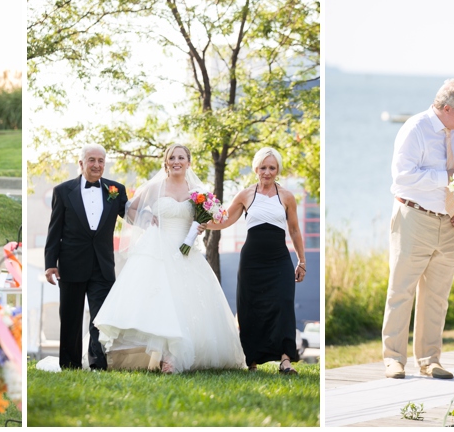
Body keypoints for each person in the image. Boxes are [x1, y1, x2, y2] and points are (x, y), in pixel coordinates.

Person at [94, 144, 245, 374]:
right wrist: (147, 220)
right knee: (163, 301)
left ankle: (176, 355)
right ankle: (167, 358)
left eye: (181, 157)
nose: (176, 161)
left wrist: (204, 225)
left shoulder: (198, 192)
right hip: (158, 249)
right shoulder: (155, 187)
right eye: (172, 157)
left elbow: (210, 218)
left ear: (188, 162)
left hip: (186, 251)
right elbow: (130, 210)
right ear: (166, 162)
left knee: (183, 303)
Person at [382, 79, 454, 379]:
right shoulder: (414, 129)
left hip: (448, 223)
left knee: (437, 296)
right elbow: (403, 177)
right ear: (447, 108)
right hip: (414, 217)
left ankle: (429, 359)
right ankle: (393, 358)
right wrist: (444, 176)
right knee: (401, 290)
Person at [205, 147, 306, 375]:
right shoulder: (245, 195)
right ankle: (251, 361)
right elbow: (225, 220)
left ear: (278, 169)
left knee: (283, 305)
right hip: (252, 261)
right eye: (263, 167)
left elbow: (294, 230)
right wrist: (205, 222)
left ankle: (285, 360)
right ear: (256, 168)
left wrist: (302, 260)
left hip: (279, 260)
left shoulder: (287, 196)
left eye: (272, 167)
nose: (267, 172)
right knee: (250, 308)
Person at [44, 144, 128, 370]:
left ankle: (98, 364)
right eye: (91, 160)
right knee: (70, 316)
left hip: (103, 265)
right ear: (81, 163)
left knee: (100, 317)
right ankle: (70, 364)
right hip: (71, 264)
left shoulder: (116, 190)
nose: (97, 165)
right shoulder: (62, 191)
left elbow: (131, 214)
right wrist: (50, 263)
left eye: (101, 161)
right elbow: (55, 230)